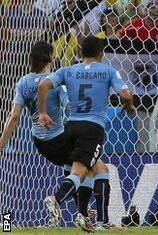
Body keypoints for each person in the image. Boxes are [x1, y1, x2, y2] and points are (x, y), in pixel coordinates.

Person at [38, 36, 136, 231]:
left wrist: (43, 113)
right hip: (92, 129)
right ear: (101, 54)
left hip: (71, 126)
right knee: (80, 171)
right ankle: (56, 199)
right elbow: (126, 95)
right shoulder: (108, 71)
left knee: (100, 169)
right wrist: (129, 107)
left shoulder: (68, 70)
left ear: (81, 53)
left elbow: (43, 86)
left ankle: (95, 219)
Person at [0, 41, 71, 227]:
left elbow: (14, 116)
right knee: (87, 166)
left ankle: (7, 224)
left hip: (39, 140)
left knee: (9, 189)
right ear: (50, 57)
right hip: (58, 137)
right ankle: (60, 203)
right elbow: (69, 105)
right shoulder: (55, 80)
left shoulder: (23, 82)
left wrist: (1, 144)